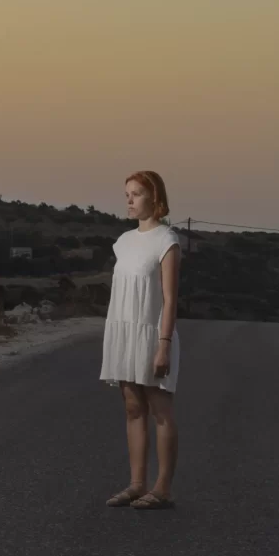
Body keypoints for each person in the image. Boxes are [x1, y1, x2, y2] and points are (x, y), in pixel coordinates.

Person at [99, 170, 182, 510]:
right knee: (133, 408)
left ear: (155, 198)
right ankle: (136, 484)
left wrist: (163, 344)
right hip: (123, 332)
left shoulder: (167, 240)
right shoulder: (123, 241)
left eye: (136, 194)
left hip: (152, 334)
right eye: (127, 194)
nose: (129, 201)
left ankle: (161, 488)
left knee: (159, 410)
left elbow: (170, 299)